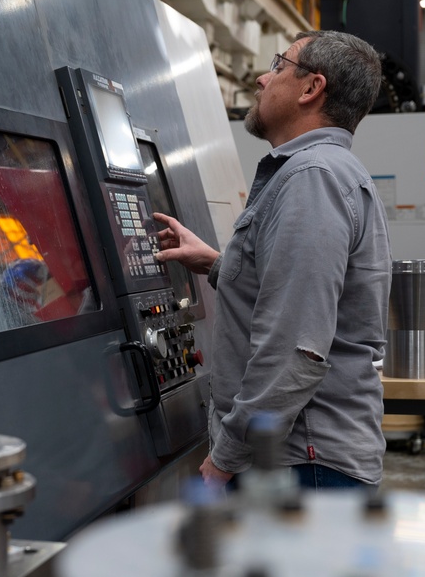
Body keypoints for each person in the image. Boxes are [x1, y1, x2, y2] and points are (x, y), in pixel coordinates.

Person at [154, 31, 391, 490]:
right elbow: (294, 294)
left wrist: (226, 457)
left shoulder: (312, 178)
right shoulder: (325, 172)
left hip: (300, 462)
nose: (263, 78)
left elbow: (295, 350)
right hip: (303, 459)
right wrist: (216, 263)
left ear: (310, 88)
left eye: (279, 65)